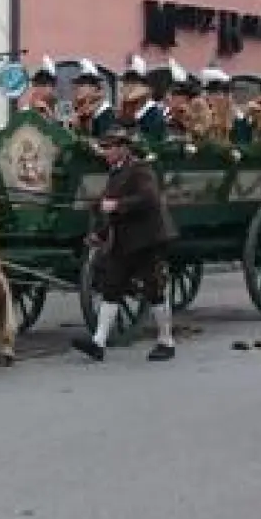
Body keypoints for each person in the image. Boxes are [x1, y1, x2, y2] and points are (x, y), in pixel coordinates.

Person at [71, 128, 178, 363]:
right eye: (104, 148)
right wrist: (99, 234)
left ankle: (166, 340)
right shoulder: (116, 173)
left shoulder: (140, 170)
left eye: (109, 148)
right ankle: (98, 342)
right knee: (111, 288)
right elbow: (112, 212)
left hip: (147, 239)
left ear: (123, 149)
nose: (105, 153)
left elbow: (149, 199)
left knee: (153, 289)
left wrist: (117, 204)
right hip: (124, 240)